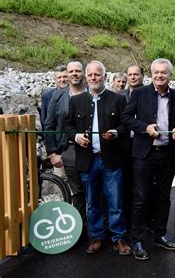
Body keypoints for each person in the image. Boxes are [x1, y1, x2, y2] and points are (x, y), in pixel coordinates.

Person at [121, 58, 175, 261]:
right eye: (156, 72)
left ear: (170, 75)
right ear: (151, 74)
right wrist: (145, 128)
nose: (160, 75)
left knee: (164, 197)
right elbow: (126, 117)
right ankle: (138, 240)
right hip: (144, 154)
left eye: (163, 72)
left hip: (167, 154)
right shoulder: (139, 94)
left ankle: (160, 235)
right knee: (141, 198)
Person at [64, 60, 131, 256]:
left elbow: (126, 126)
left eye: (97, 74)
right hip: (87, 160)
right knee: (92, 202)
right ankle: (96, 238)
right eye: (91, 75)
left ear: (105, 76)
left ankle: (118, 238)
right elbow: (67, 127)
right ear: (86, 77)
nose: (94, 78)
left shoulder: (117, 100)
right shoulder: (76, 101)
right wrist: (76, 136)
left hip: (111, 160)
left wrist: (115, 133)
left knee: (116, 202)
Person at [44, 61, 87, 220]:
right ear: (68, 74)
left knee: (97, 192)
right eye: (71, 71)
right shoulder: (57, 96)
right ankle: (79, 228)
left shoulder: (93, 93)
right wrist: (52, 152)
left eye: (78, 70)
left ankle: (98, 233)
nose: (74, 74)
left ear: (84, 73)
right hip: (67, 150)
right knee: (76, 192)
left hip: (93, 151)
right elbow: (48, 125)